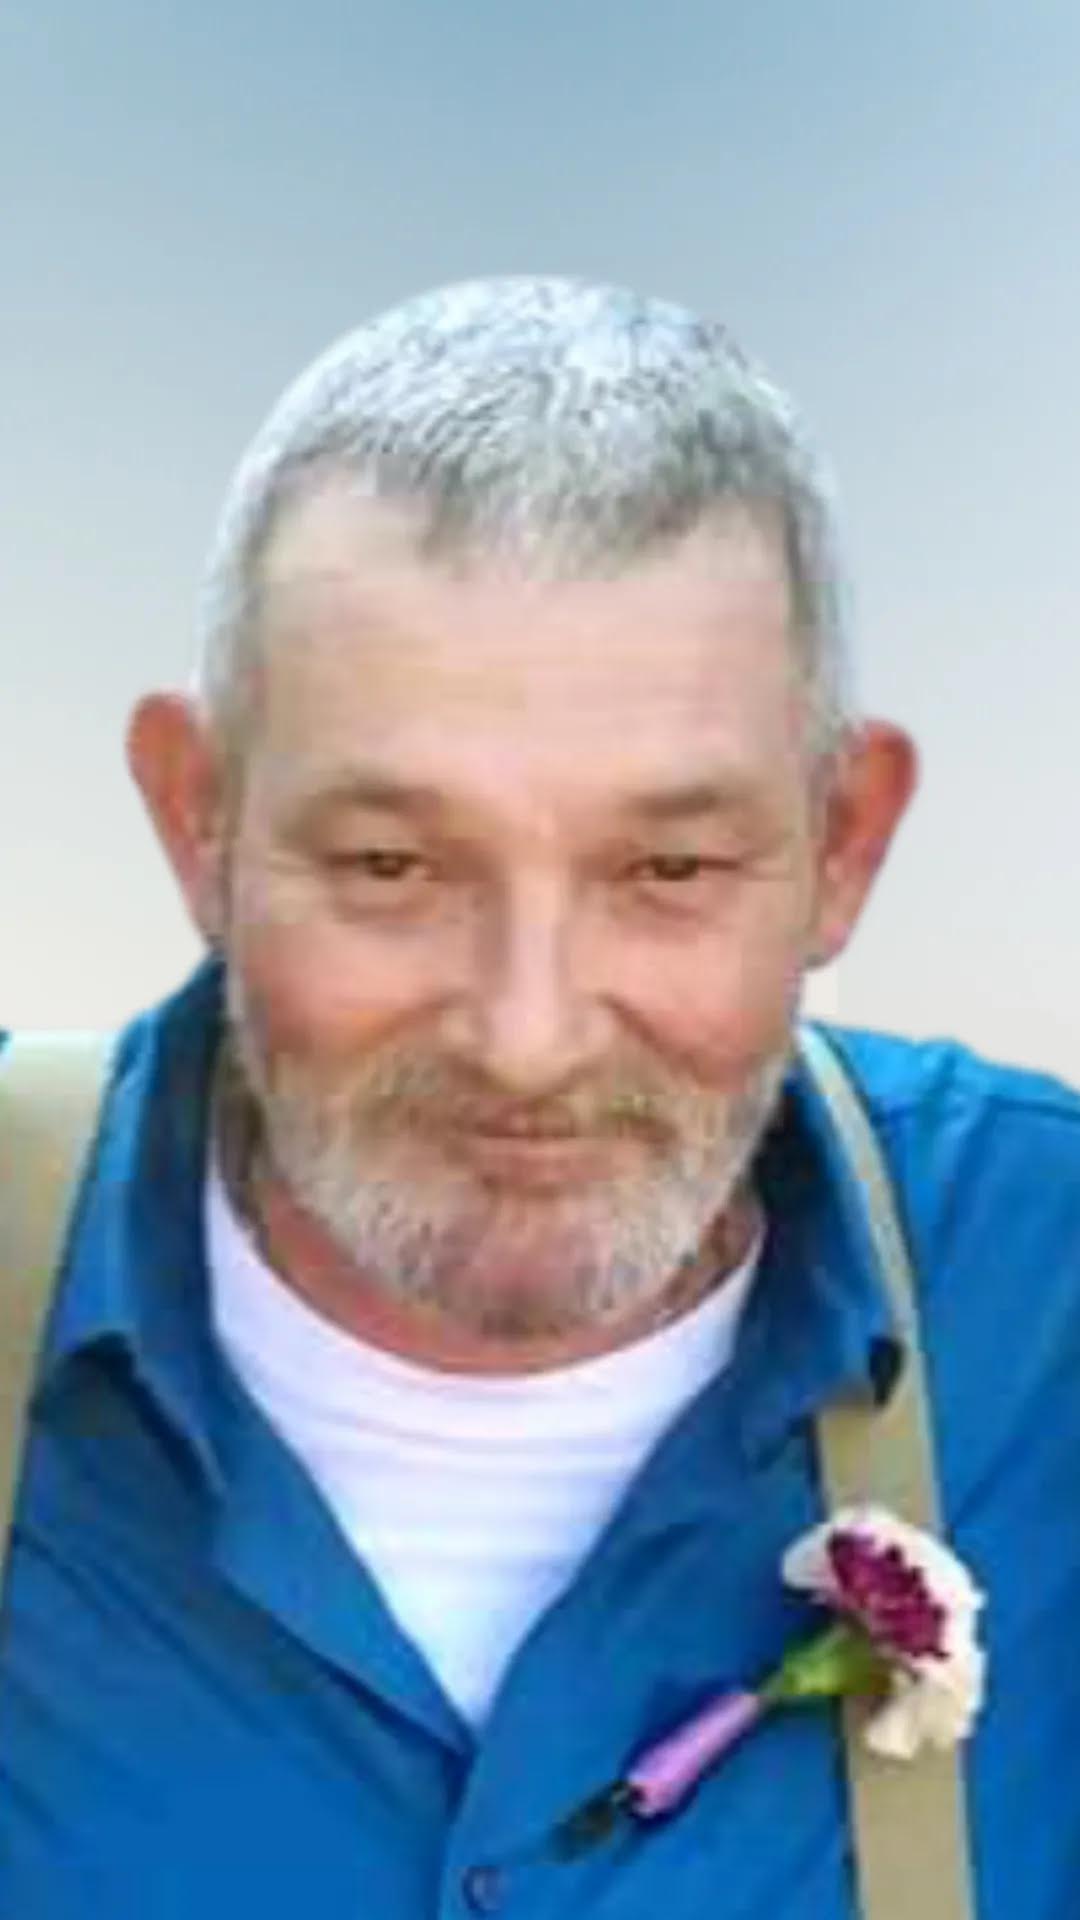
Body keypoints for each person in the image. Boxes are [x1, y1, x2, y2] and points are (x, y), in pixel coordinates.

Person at [1, 277, 1077, 1920]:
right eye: (390, 866)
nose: (527, 1039)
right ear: (197, 817)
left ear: (844, 843)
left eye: (668, 870)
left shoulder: (1048, 1299)